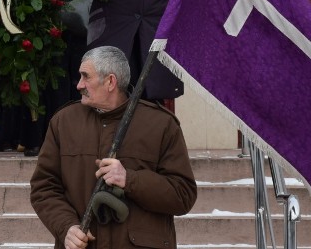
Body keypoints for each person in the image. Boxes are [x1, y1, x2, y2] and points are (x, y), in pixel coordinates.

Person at [29, 46, 196, 249]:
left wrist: (130, 179)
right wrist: (66, 227)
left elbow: (183, 195)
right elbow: (44, 188)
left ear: (110, 82)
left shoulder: (161, 124)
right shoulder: (64, 122)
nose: (79, 84)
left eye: (85, 77)